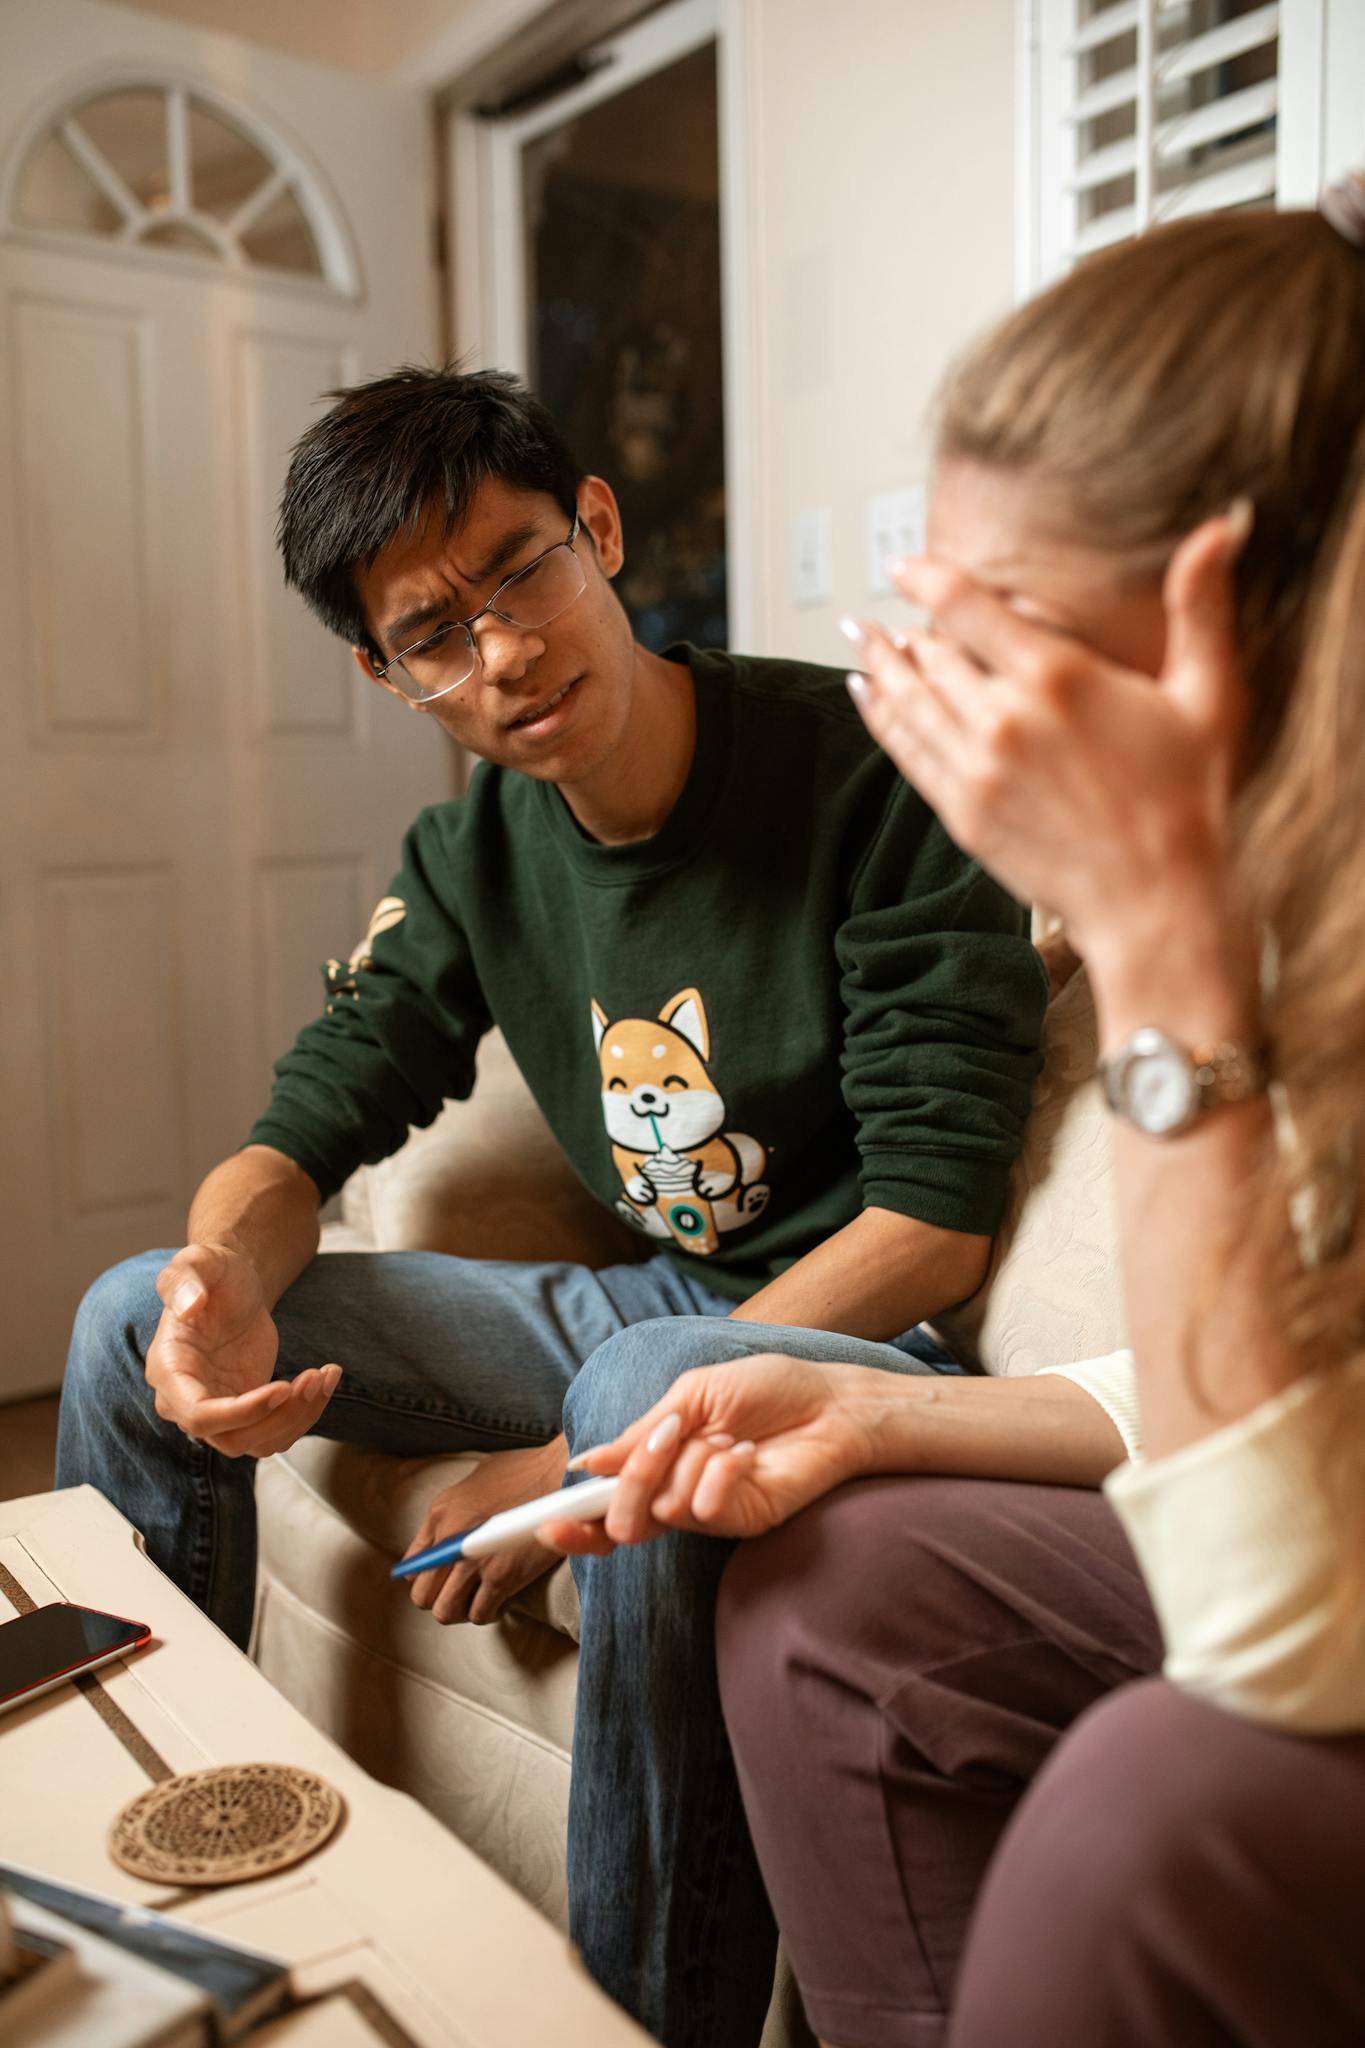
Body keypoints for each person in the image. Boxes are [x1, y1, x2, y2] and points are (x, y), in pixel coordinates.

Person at [56, 366, 1052, 2047]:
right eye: (433, 632)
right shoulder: (474, 856)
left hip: (877, 1338)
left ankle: (633, 2017)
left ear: (597, 528)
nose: (502, 651)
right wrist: (223, 1272)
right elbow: (305, 1129)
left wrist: (566, 1472)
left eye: (518, 569)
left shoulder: (862, 774)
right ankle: (150, 1866)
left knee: (638, 1383)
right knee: (126, 1307)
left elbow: (935, 1227)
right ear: (382, 673)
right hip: (649, 1303)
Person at [550, 181, 1365, 2046]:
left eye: (1030, 666)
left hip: (1309, 1612)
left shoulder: (1207, 938)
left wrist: (1160, 946)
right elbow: (1263, 1396)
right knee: (832, 1569)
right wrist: (866, 1411)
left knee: (1161, 1813)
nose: (985, 753)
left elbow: (1283, 1628)